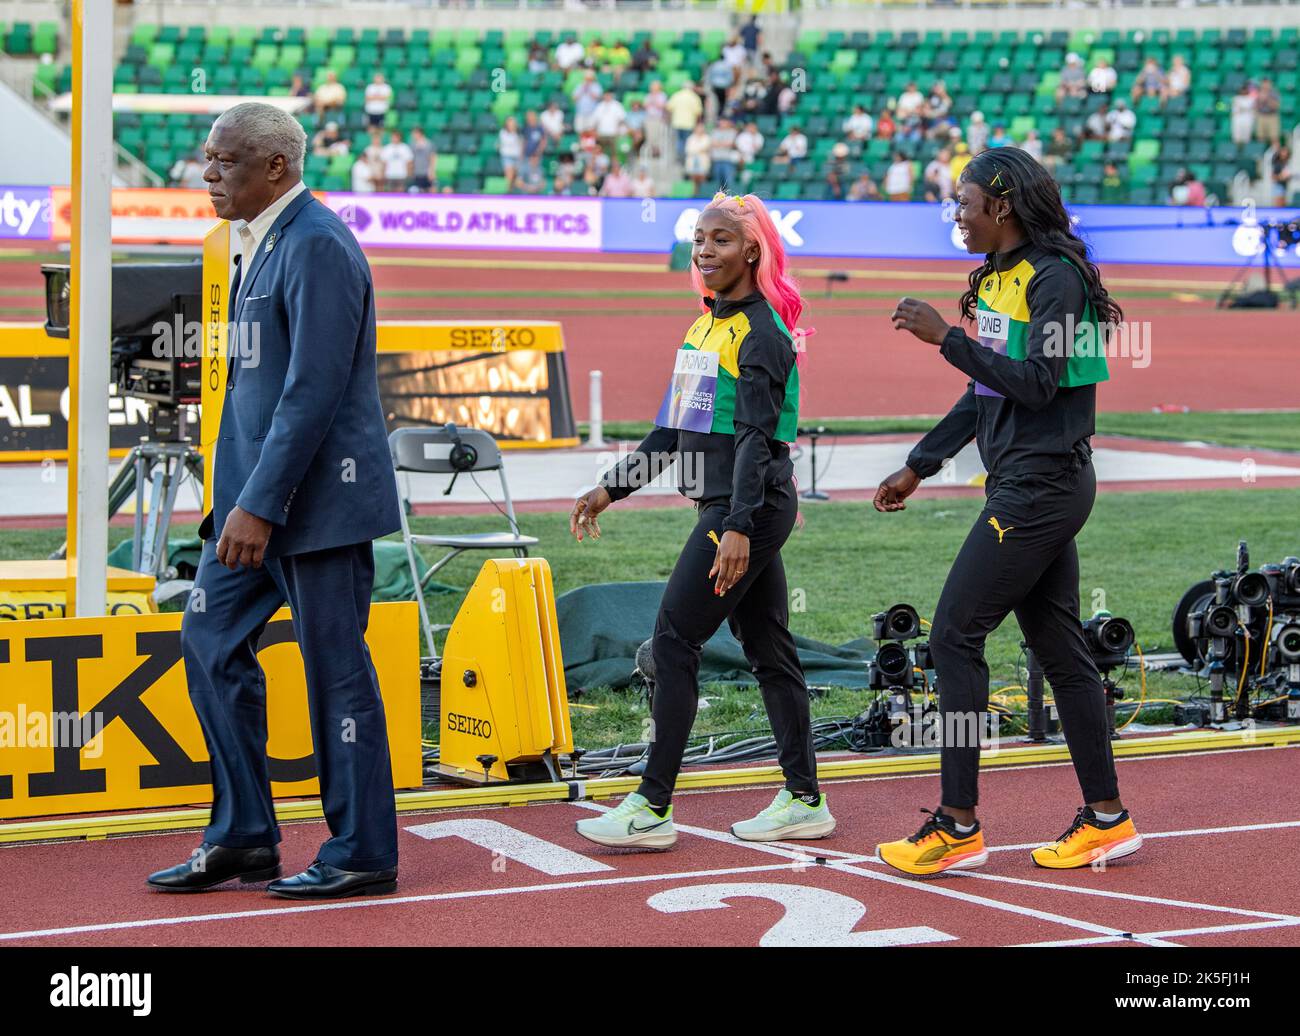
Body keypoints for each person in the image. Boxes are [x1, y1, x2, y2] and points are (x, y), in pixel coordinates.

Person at [148, 102, 401, 899]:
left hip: (316, 508)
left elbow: (312, 392)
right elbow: (251, 396)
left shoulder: (320, 246)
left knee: (336, 673)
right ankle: (246, 835)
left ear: (275, 168)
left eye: (224, 160)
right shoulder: (257, 245)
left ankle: (362, 851)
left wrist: (259, 504)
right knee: (208, 637)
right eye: (208, 157)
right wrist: (231, 507)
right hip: (254, 511)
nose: (207, 173)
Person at [876, 146, 1139, 877]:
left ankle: (957, 823)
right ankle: (1108, 819)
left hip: (1042, 488)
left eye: (962, 204)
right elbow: (985, 394)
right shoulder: (1004, 278)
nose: (954, 216)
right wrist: (919, 465)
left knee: (956, 634)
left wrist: (946, 338)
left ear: (1001, 207)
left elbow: (1034, 383)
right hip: (1024, 486)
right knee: (1060, 650)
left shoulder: (1055, 281)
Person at [570, 192, 833, 848]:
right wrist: (611, 489)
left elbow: (753, 439)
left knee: (673, 641)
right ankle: (805, 799)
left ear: (751, 250)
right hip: (736, 508)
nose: (704, 251)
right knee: (770, 648)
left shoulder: (763, 333)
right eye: (698, 240)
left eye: (720, 240)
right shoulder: (704, 326)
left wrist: (740, 523)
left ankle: (651, 806)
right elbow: (671, 432)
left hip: (748, 509)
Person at [407, 126, 436, 192]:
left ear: (419, 133)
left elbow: (432, 158)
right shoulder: (412, 145)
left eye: (414, 133)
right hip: (416, 172)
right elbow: (411, 159)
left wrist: (431, 171)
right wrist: (410, 171)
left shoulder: (429, 144)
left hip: (426, 172)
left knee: (430, 189)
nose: (412, 135)